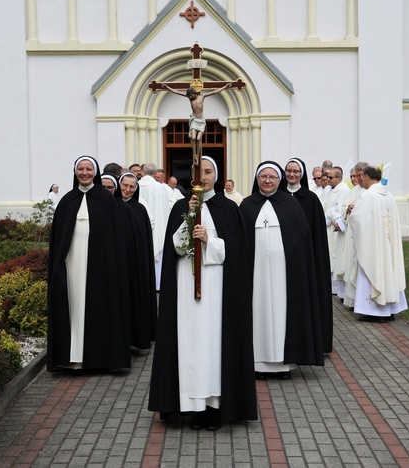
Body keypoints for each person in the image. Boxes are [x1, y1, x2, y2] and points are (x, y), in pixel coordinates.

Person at [149, 156, 257, 431]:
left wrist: (210, 240)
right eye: (200, 171)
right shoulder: (180, 207)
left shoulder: (228, 208)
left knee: (214, 344)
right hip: (186, 286)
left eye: (209, 172)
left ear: (216, 176)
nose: (204, 176)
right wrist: (188, 222)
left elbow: (236, 251)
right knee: (190, 343)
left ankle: (215, 407)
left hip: (218, 288)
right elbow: (175, 247)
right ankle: (193, 408)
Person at [240, 161, 324, 380]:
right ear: (257, 179)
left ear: (280, 180)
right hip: (254, 273)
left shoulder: (291, 205)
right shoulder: (247, 206)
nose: (267, 181)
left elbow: (302, 241)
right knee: (256, 312)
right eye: (263, 177)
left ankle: (282, 365)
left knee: (282, 313)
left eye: (272, 177)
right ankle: (257, 362)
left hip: (284, 274)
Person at [47, 156, 130, 372]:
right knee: (73, 306)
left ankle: (99, 358)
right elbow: (58, 240)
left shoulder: (106, 199)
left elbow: (115, 237)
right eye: (81, 169)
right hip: (72, 263)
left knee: (98, 307)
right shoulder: (67, 201)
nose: (84, 173)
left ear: (95, 172)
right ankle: (73, 357)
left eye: (89, 169)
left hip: (100, 266)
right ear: (75, 172)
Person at [283, 158, 332, 354]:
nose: (292, 174)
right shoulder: (278, 195)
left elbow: (317, 234)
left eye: (296, 171)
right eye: (289, 171)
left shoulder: (311, 199)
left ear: (301, 174)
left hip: (304, 259)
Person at [347, 165, 408, 322]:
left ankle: (375, 312)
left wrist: (353, 212)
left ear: (367, 176)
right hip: (387, 244)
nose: (361, 180)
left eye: (362, 177)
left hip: (373, 245)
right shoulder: (388, 195)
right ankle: (390, 309)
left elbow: (358, 220)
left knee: (372, 270)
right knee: (388, 271)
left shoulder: (368, 195)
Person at [117, 172, 157, 348]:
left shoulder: (140, 210)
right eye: (125, 185)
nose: (127, 190)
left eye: (131, 187)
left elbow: (143, 242)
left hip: (133, 264)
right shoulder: (112, 206)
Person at [162, 83, 232, 164]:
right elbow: (177, 92)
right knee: (193, 137)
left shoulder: (202, 97)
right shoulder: (190, 99)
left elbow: (215, 92)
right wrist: (167, 88)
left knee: (198, 139)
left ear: (194, 93)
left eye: (191, 95)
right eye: (189, 96)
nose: (190, 97)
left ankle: (198, 154)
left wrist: (225, 87)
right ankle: (195, 155)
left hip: (201, 120)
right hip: (194, 120)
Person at [138, 163, 170, 290]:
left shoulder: (138, 185)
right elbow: (165, 208)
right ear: (155, 172)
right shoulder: (161, 187)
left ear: (143, 171)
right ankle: (158, 284)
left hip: (143, 225)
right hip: (160, 225)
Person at [342, 162, 368, 310]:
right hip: (352, 232)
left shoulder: (370, 192)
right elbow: (344, 206)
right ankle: (352, 301)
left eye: (360, 175)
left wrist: (356, 209)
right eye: (355, 176)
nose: (357, 179)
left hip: (363, 234)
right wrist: (347, 209)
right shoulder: (353, 191)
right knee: (352, 265)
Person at [323, 167, 351, 300]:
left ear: (338, 178)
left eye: (330, 178)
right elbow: (323, 204)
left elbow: (341, 208)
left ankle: (337, 288)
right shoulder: (328, 189)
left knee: (334, 255)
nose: (327, 180)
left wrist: (331, 218)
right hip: (326, 227)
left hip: (335, 228)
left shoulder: (344, 190)